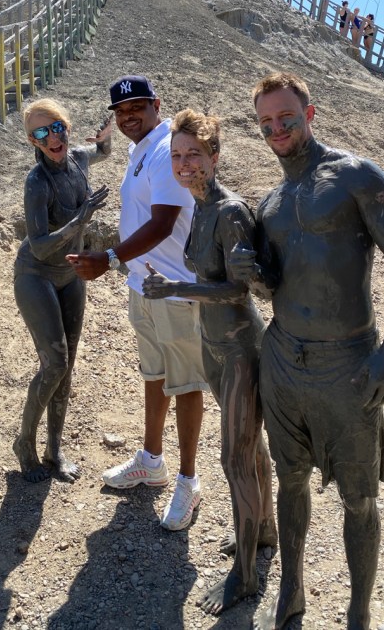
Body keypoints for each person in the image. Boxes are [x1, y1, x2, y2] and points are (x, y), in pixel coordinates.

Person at [231, 72, 384, 630]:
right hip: (283, 359)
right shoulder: (270, 202)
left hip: (348, 362)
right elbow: (273, 286)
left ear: (309, 115)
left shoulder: (355, 175)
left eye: (286, 117)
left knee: (359, 497)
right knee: (290, 478)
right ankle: (291, 590)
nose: (277, 129)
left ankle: (359, 613)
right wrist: (251, 272)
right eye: (266, 122)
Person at [142, 109, 277, 615]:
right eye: (177, 156)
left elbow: (239, 290)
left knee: (234, 457)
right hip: (213, 343)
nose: (184, 164)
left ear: (214, 156)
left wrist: (175, 288)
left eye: (194, 154)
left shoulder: (229, 210)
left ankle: (244, 575)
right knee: (249, 444)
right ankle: (264, 530)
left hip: (240, 347)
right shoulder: (198, 206)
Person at [67, 77, 209, 531]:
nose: (128, 116)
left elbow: (164, 223)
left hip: (176, 288)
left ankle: (188, 480)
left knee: (185, 384)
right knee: (155, 374)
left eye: (136, 107)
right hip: (145, 284)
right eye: (121, 110)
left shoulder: (167, 149)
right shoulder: (141, 149)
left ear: (155, 105)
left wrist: (110, 257)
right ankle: (151, 460)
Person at [12, 99, 112, 483]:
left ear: (67, 128)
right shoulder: (36, 183)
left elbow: (102, 151)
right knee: (53, 364)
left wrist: (105, 138)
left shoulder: (79, 159)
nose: (52, 138)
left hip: (70, 274)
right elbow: (39, 246)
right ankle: (25, 442)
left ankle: (55, 450)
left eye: (57, 128)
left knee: (66, 367)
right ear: (32, 142)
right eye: (41, 133)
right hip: (35, 274)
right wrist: (80, 219)